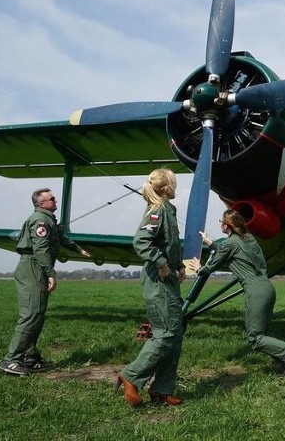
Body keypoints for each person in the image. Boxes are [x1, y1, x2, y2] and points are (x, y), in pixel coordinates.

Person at [192, 209, 285, 376]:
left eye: (221, 221)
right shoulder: (249, 239)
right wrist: (210, 242)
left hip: (255, 291)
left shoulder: (230, 243)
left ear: (226, 226)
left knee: (255, 338)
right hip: (268, 288)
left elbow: (211, 266)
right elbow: (227, 250)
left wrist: (199, 269)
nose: (219, 224)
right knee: (264, 334)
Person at [0, 188, 91, 376]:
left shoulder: (49, 219)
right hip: (32, 267)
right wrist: (51, 273)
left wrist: (79, 249)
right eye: (52, 199)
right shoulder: (40, 220)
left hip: (36, 266)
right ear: (42, 204)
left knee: (38, 314)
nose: (55, 200)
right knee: (31, 314)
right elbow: (40, 249)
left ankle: (30, 358)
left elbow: (61, 237)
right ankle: (11, 359)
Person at [117, 168, 187, 407]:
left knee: (174, 337)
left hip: (169, 282)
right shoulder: (157, 211)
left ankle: (162, 389)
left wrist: (178, 266)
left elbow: (168, 244)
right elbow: (141, 241)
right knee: (165, 334)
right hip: (158, 284)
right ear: (166, 188)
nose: (176, 187)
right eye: (174, 183)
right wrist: (161, 264)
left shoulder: (169, 210)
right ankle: (131, 376)